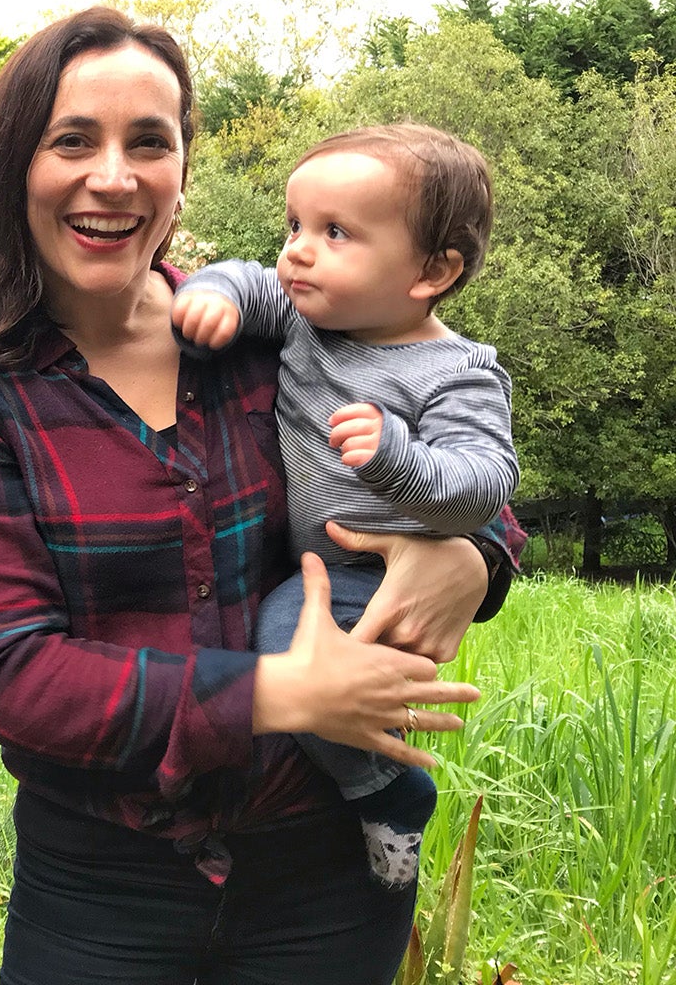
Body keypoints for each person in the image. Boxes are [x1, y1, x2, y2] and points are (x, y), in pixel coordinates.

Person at [0, 7, 522, 985]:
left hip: (326, 869)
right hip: (100, 884)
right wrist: (278, 693)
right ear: (16, 164)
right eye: (73, 141)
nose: (114, 176)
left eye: (148, 142)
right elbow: (16, 677)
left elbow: (458, 463)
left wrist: (474, 554)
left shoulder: (256, 335)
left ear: (180, 168)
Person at [171, 124, 518, 888]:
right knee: (300, 663)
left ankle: (388, 791)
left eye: (335, 233)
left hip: (372, 572)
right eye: (294, 225)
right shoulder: (303, 314)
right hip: (318, 565)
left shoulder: (455, 371)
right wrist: (211, 295)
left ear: (432, 271)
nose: (297, 250)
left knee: (287, 643)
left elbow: (486, 482)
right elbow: (244, 279)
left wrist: (397, 456)